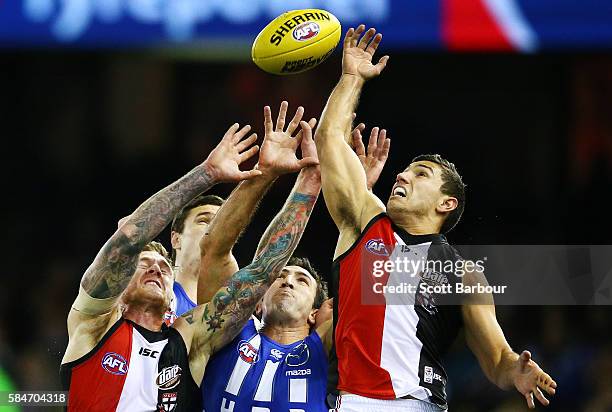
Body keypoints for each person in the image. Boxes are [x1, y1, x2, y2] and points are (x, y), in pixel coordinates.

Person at [314, 25, 557, 411]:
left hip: (419, 404)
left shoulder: (463, 275)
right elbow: (329, 139)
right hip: (351, 401)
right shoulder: (365, 221)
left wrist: (515, 371)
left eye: (420, 174)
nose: (402, 175)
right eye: (405, 170)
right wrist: (351, 78)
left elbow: (495, 358)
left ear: (446, 204)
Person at [61, 119, 318, 412]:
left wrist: (304, 180)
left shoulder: (189, 338)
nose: (156, 269)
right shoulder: (93, 324)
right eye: (143, 264)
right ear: (119, 287)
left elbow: (261, 272)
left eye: (164, 267)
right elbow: (130, 237)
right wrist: (207, 173)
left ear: (173, 294)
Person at [197, 103, 390, 412]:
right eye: (280, 277)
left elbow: (374, 283)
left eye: (302, 281)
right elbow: (214, 250)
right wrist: (265, 174)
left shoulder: (325, 348)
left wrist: (360, 198)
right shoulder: (226, 333)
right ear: (257, 302)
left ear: (317, 312)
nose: (287, 280)